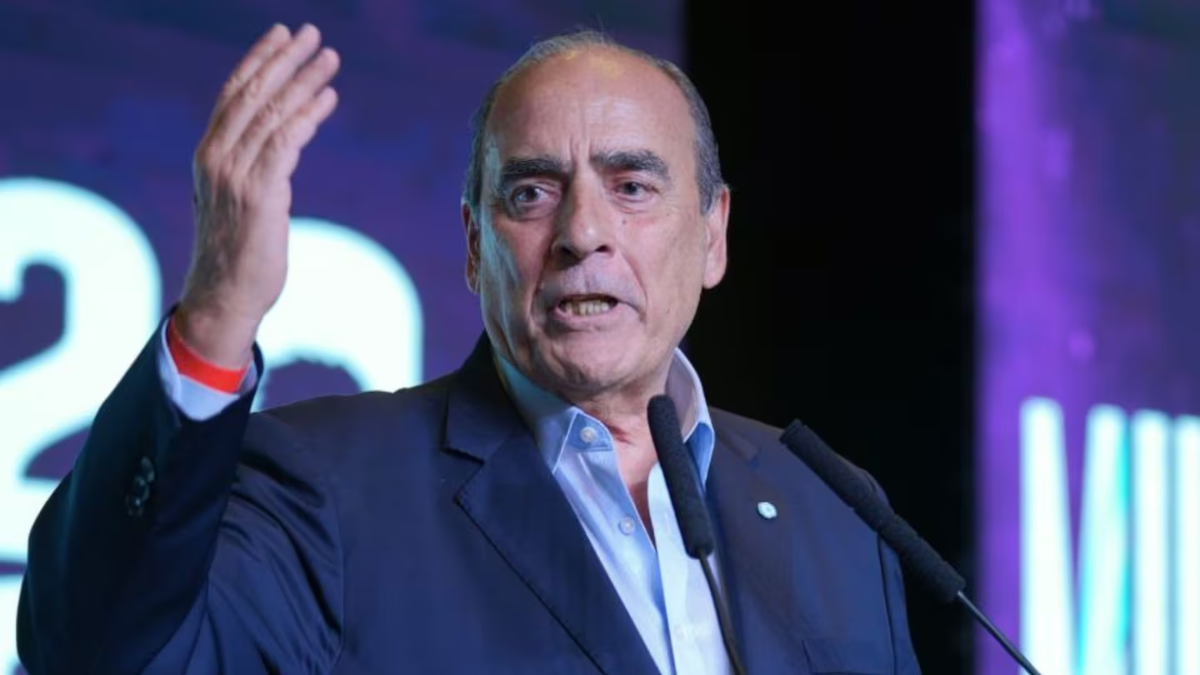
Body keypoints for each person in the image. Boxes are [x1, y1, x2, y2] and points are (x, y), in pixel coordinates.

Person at [15, 23, 921, 675]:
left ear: (713, 234)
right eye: (531, 193)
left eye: (632, 186)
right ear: (474, 244)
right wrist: (217, 313)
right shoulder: (325, 489)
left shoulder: (833, 506)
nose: (582, 233)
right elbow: (99, 652)